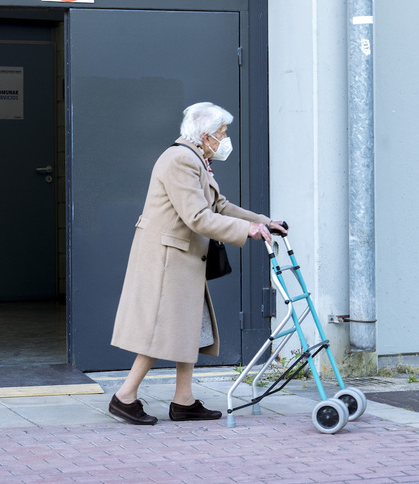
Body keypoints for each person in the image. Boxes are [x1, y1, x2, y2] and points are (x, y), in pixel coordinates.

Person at [109, 102, 287, 425]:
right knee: (160, 329)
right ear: (205, 137)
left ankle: (184, 400)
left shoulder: (196, 159)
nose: (225, 139)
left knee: (189, 326)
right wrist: (247, 230)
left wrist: (264, 222)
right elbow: (198, 217)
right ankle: (125, 396)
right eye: (222, 133)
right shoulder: (180, 161)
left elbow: (220, 205)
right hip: (168, 260)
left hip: (182, 258)